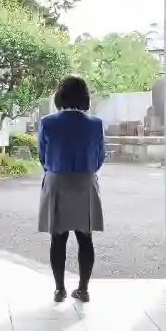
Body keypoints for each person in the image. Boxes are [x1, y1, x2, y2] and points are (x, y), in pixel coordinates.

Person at [37, 75, 105, 303]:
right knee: (85, 238)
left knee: (58, 238)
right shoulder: (95, 124)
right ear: (85, 96)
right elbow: (100, 157)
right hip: (85, 181)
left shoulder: (47, 122)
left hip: (57, 180)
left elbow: (42, 156)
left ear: (60, 95)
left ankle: (59, 290)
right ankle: (83, 290)